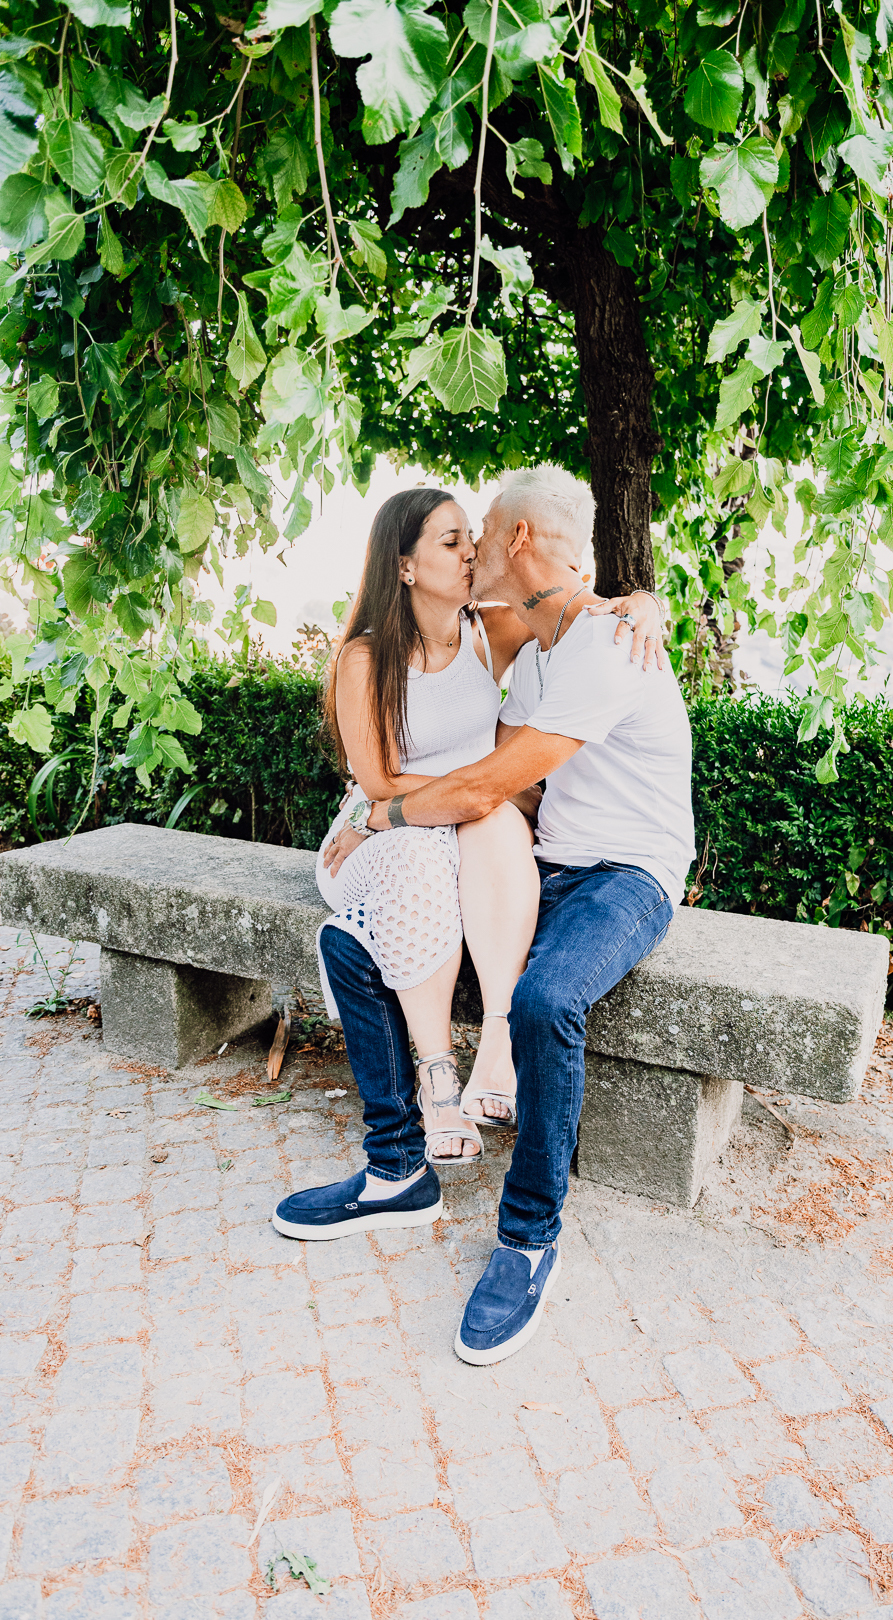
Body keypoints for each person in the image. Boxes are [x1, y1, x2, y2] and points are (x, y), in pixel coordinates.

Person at [274, 465, 693, 1364]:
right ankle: (397, 1170)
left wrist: (380, 811)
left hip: (627, 877)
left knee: (545, 1003)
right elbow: (467, 776)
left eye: (482, 530)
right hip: (544, 856)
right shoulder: (534, 640)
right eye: (452, 538)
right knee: (353, 949)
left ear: (516, 543)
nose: (473, 547)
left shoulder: (608, 645)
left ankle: (526, 1238)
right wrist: (646, 596)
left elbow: (496, 784)